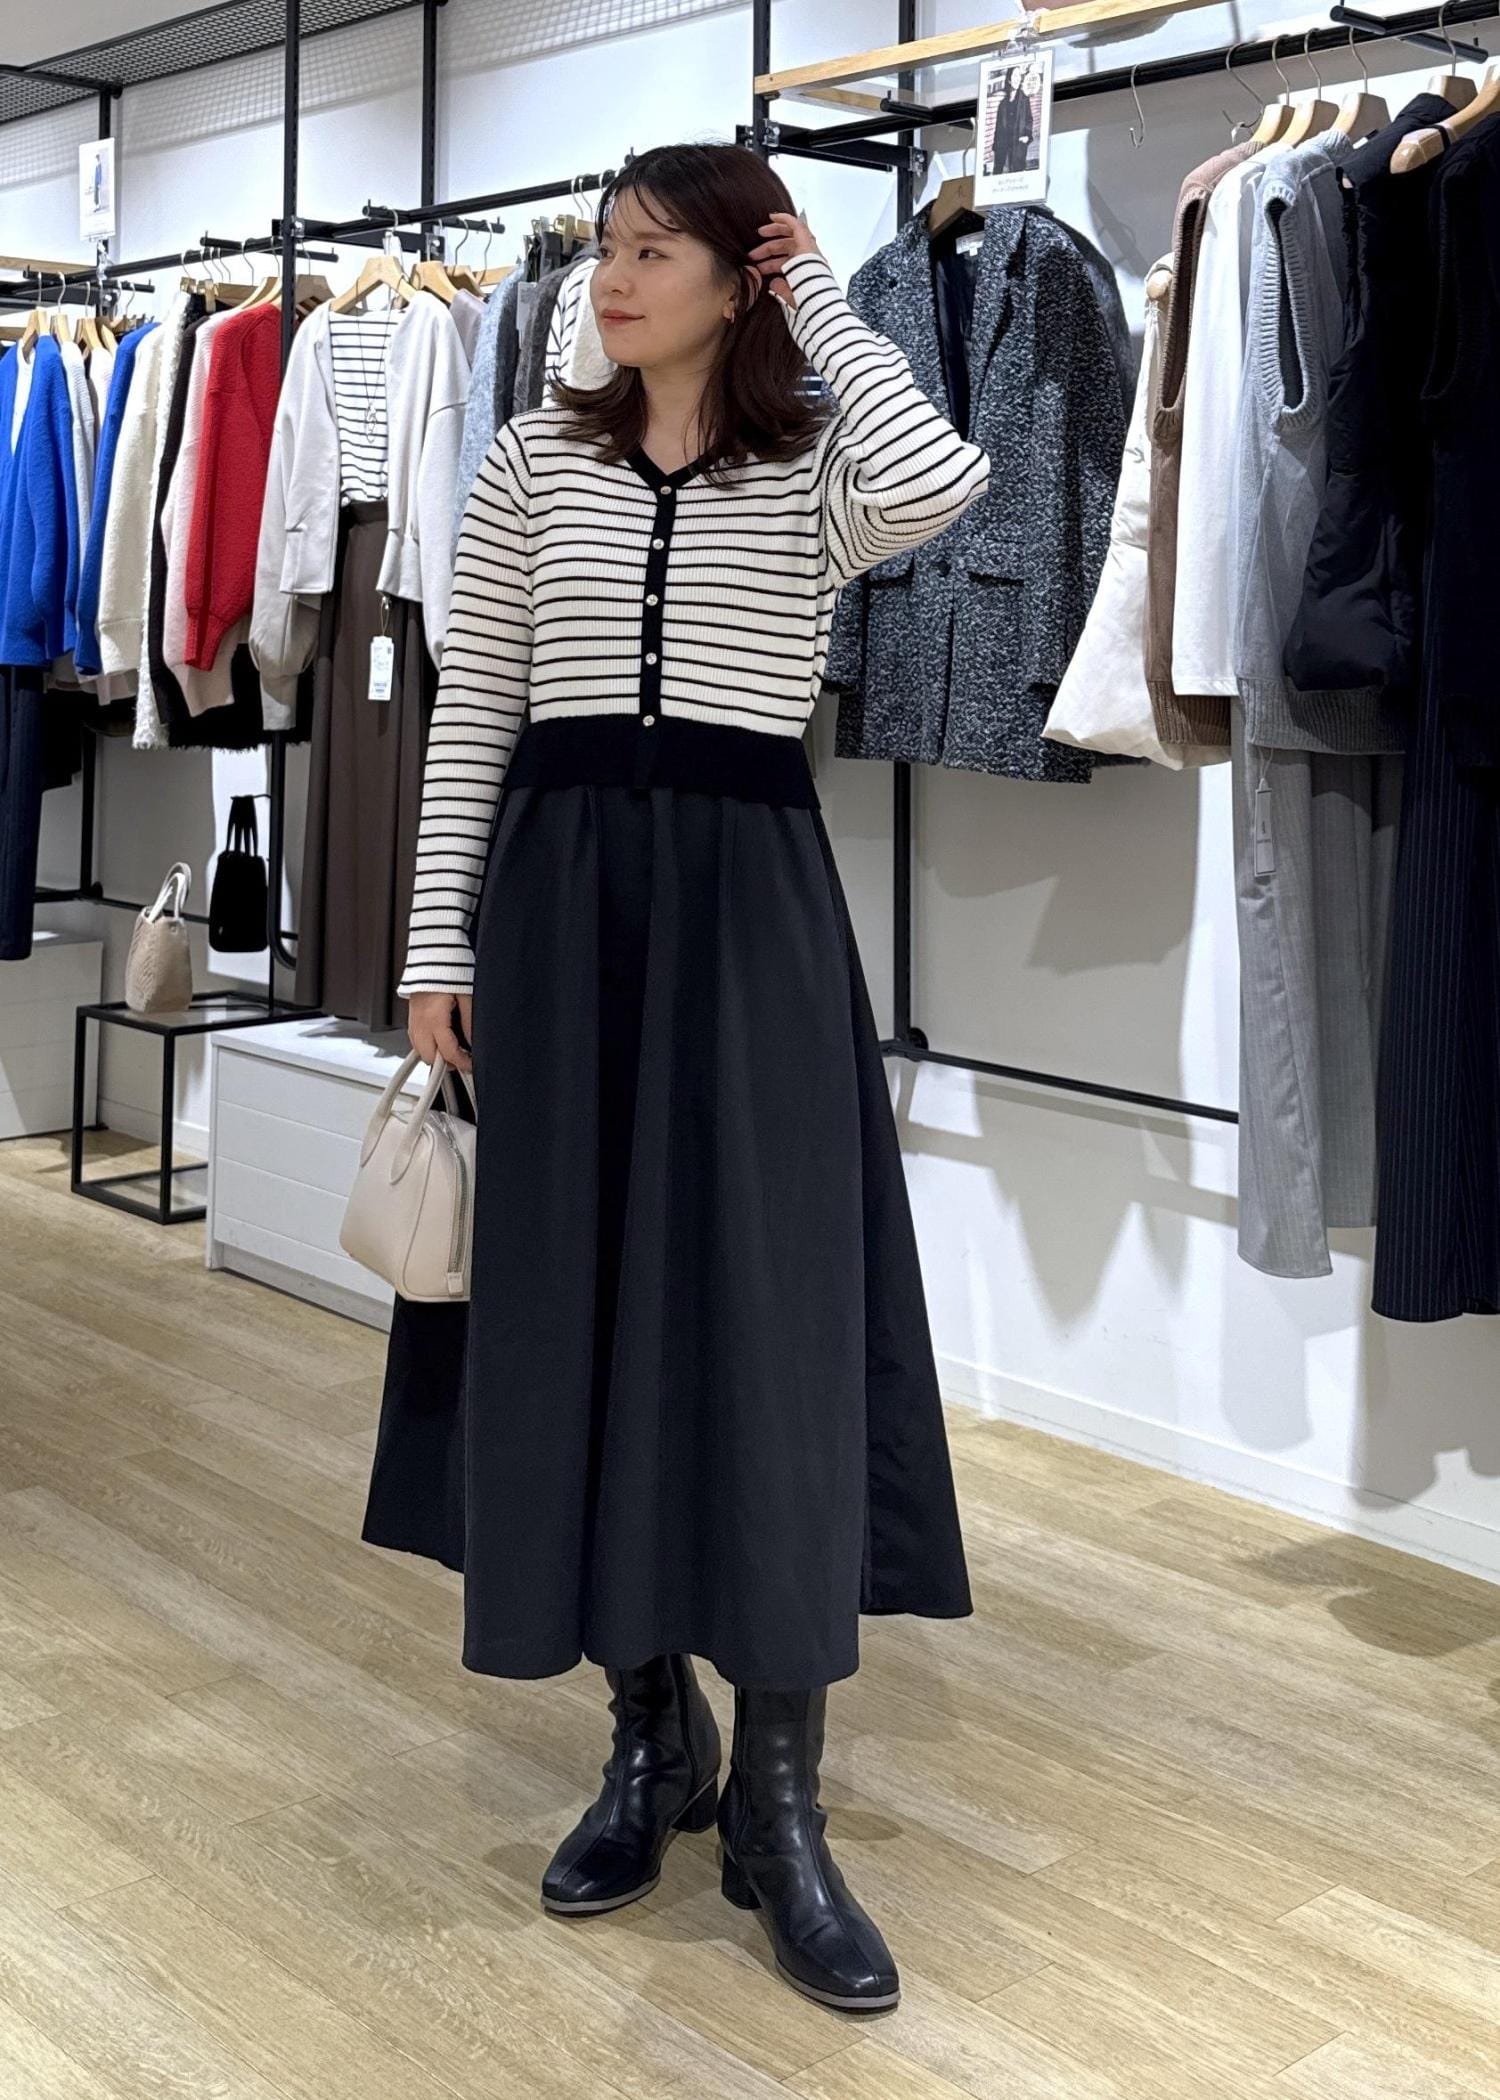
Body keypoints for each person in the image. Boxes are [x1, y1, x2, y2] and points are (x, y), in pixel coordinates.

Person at [359, 140, 989, 2013]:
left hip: (751, 922)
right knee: (572, 1311)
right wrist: (435, 946)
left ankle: (781, 1804)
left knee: (770, 1324)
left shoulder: (815, 466)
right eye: (607, 250)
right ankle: (649, 1737)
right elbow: (476, 708)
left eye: (657, 252)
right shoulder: (528, 462)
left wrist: (827, 303)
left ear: (739, 276)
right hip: (561, 915)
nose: (613, 279)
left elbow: (945, 481)